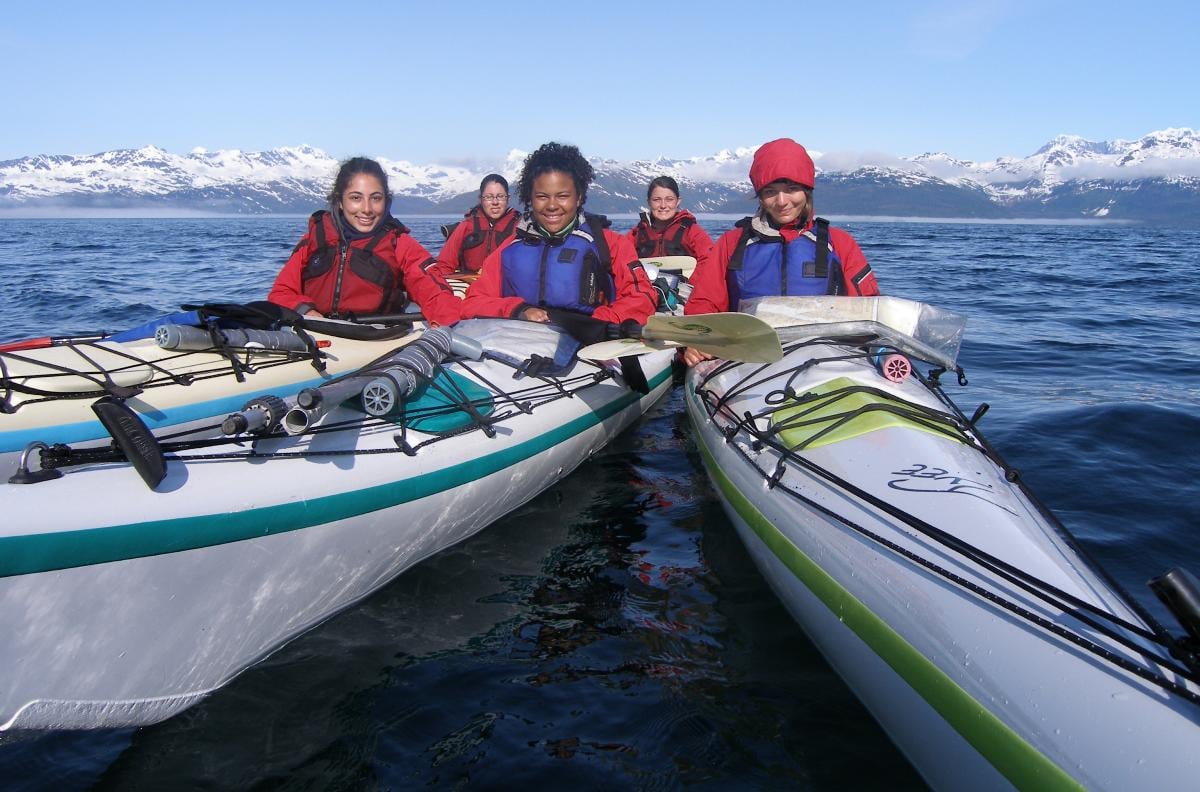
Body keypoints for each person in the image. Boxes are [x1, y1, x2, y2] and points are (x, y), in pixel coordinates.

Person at [682, 137, 879, 366]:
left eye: (792, 189)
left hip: (824, 360)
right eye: (770, 192)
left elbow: (870, 311)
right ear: (760, 196)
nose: (782, 201)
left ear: (806, 190)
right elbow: (703, 304)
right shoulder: (731, 243)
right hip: (748, 362)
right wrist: (694, 343)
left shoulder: (839, 244)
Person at [460, 142, 656, 334]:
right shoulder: (509, 248)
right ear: (530, 198)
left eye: (562, 196)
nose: (552, 206)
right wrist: (518, 310)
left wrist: (599, 322)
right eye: (542, 197)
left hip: (589, 338)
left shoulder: (610, 244)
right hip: (521, 339)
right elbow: (473, 303)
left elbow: (643, 298)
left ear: (578, 198)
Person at [267, 157, 461, 326]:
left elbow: (436, 295)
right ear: (340, 201)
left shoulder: (399, 243)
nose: (367, 209)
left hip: (375, 336)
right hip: (316, 331)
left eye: (376, 198)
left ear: (386, 201)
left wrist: (443, 327)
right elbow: (281, 292)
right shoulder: (315, 238)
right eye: (356, 198)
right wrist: (307, 312)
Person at [429, 174, 520, 278]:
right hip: (469, 282)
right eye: (489, 197)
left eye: (500, 196)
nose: (495, 202)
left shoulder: (518, 229)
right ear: (481, 199)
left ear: (508, 198)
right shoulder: (466, 226)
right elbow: (444, 265)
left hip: (505, 283)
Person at [627, 176, 713, 260]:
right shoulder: (637, 233)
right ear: (649, 202)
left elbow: (710, 261)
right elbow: (622, 259)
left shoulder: (692, 232)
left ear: (678, 201)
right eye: (657, 200)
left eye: (669, 199)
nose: (663, 205)